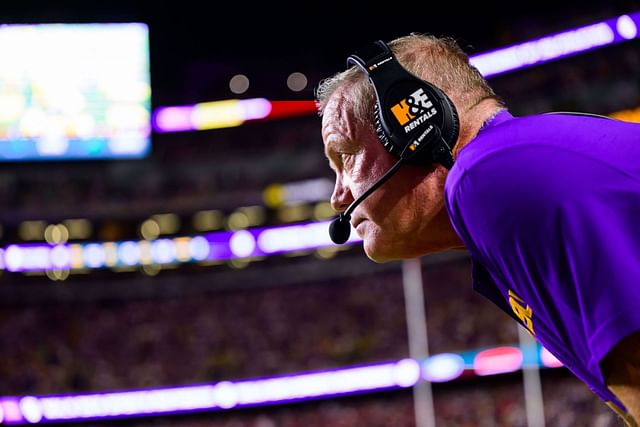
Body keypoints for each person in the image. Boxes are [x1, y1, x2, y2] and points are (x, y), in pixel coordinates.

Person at [316, 33, 640, 426]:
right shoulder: (511, 161)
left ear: (414, 125)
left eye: (346, 156)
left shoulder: (485, 176)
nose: (338, 196)